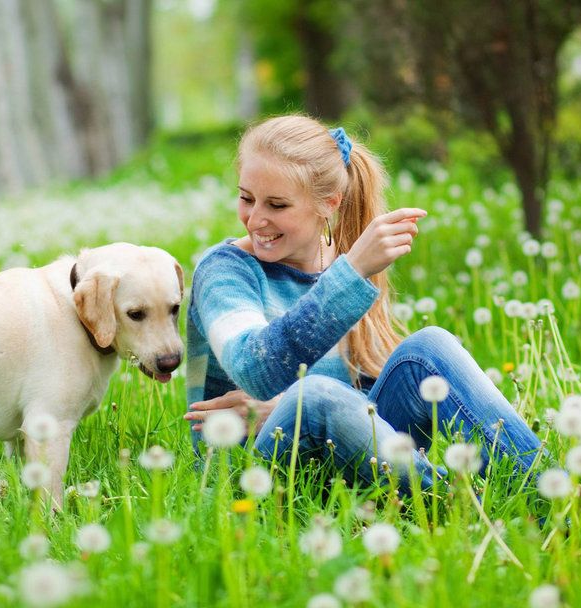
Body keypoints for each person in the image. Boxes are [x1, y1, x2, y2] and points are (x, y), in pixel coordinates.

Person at [182, 115, 542, 490]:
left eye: (276, 205)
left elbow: (359, 400)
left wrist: (290, 405)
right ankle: (456, 503)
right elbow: (254, 370)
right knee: (314, 396)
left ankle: (551, 496)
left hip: (355, 457)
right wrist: (351, 274)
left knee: (427, 348)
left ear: (328, 203)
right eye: (246, 198)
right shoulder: (225, 271)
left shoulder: (342, 266)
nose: (255, 219)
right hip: (254, 474)